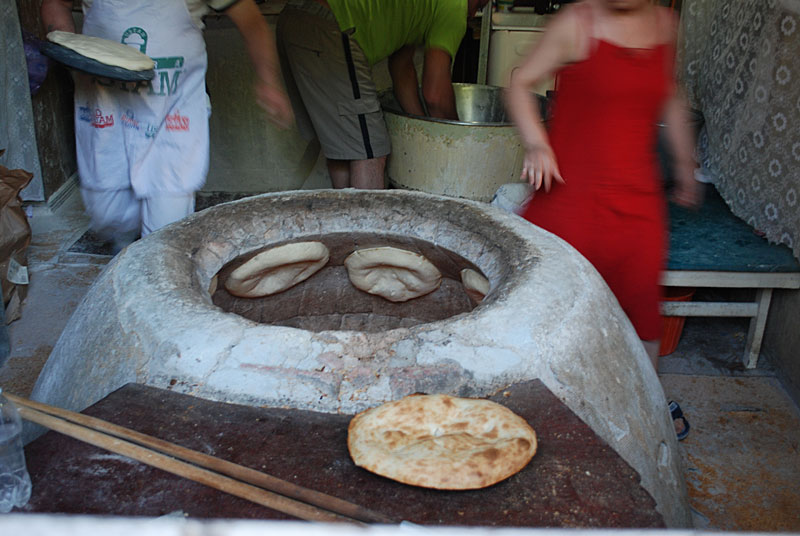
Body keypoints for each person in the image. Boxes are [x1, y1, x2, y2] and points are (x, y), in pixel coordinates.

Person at [506, 0, 700, 437]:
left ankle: (645, 411)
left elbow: (669, 96)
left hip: (637, 200)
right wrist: (537, 143)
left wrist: (686, 165)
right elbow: (520, 82)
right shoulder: (579, 21)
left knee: (642, 310)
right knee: (552, 307)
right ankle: (538, 410)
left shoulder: (666, 26)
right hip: (572, 197)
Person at [40, 0, 293, 252]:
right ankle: (125, 250)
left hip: (172, 110)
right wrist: (69, 50)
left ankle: (156, 268)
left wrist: (268, 80)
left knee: (167, 223)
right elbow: (55, 3)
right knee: (109, 214)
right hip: (104, 104)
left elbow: (250, 20)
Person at [276, 0, 489, 190]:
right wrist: (460, 146)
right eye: (479, 6)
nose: (471, 17)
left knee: (344, 147)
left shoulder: (424, 9)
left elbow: (402, 69)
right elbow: (435, 94)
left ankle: (347, 226)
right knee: (372, 154)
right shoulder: (455, 6)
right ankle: (367, 231)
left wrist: (422, 132)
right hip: (330, 25)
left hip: (296, 16)